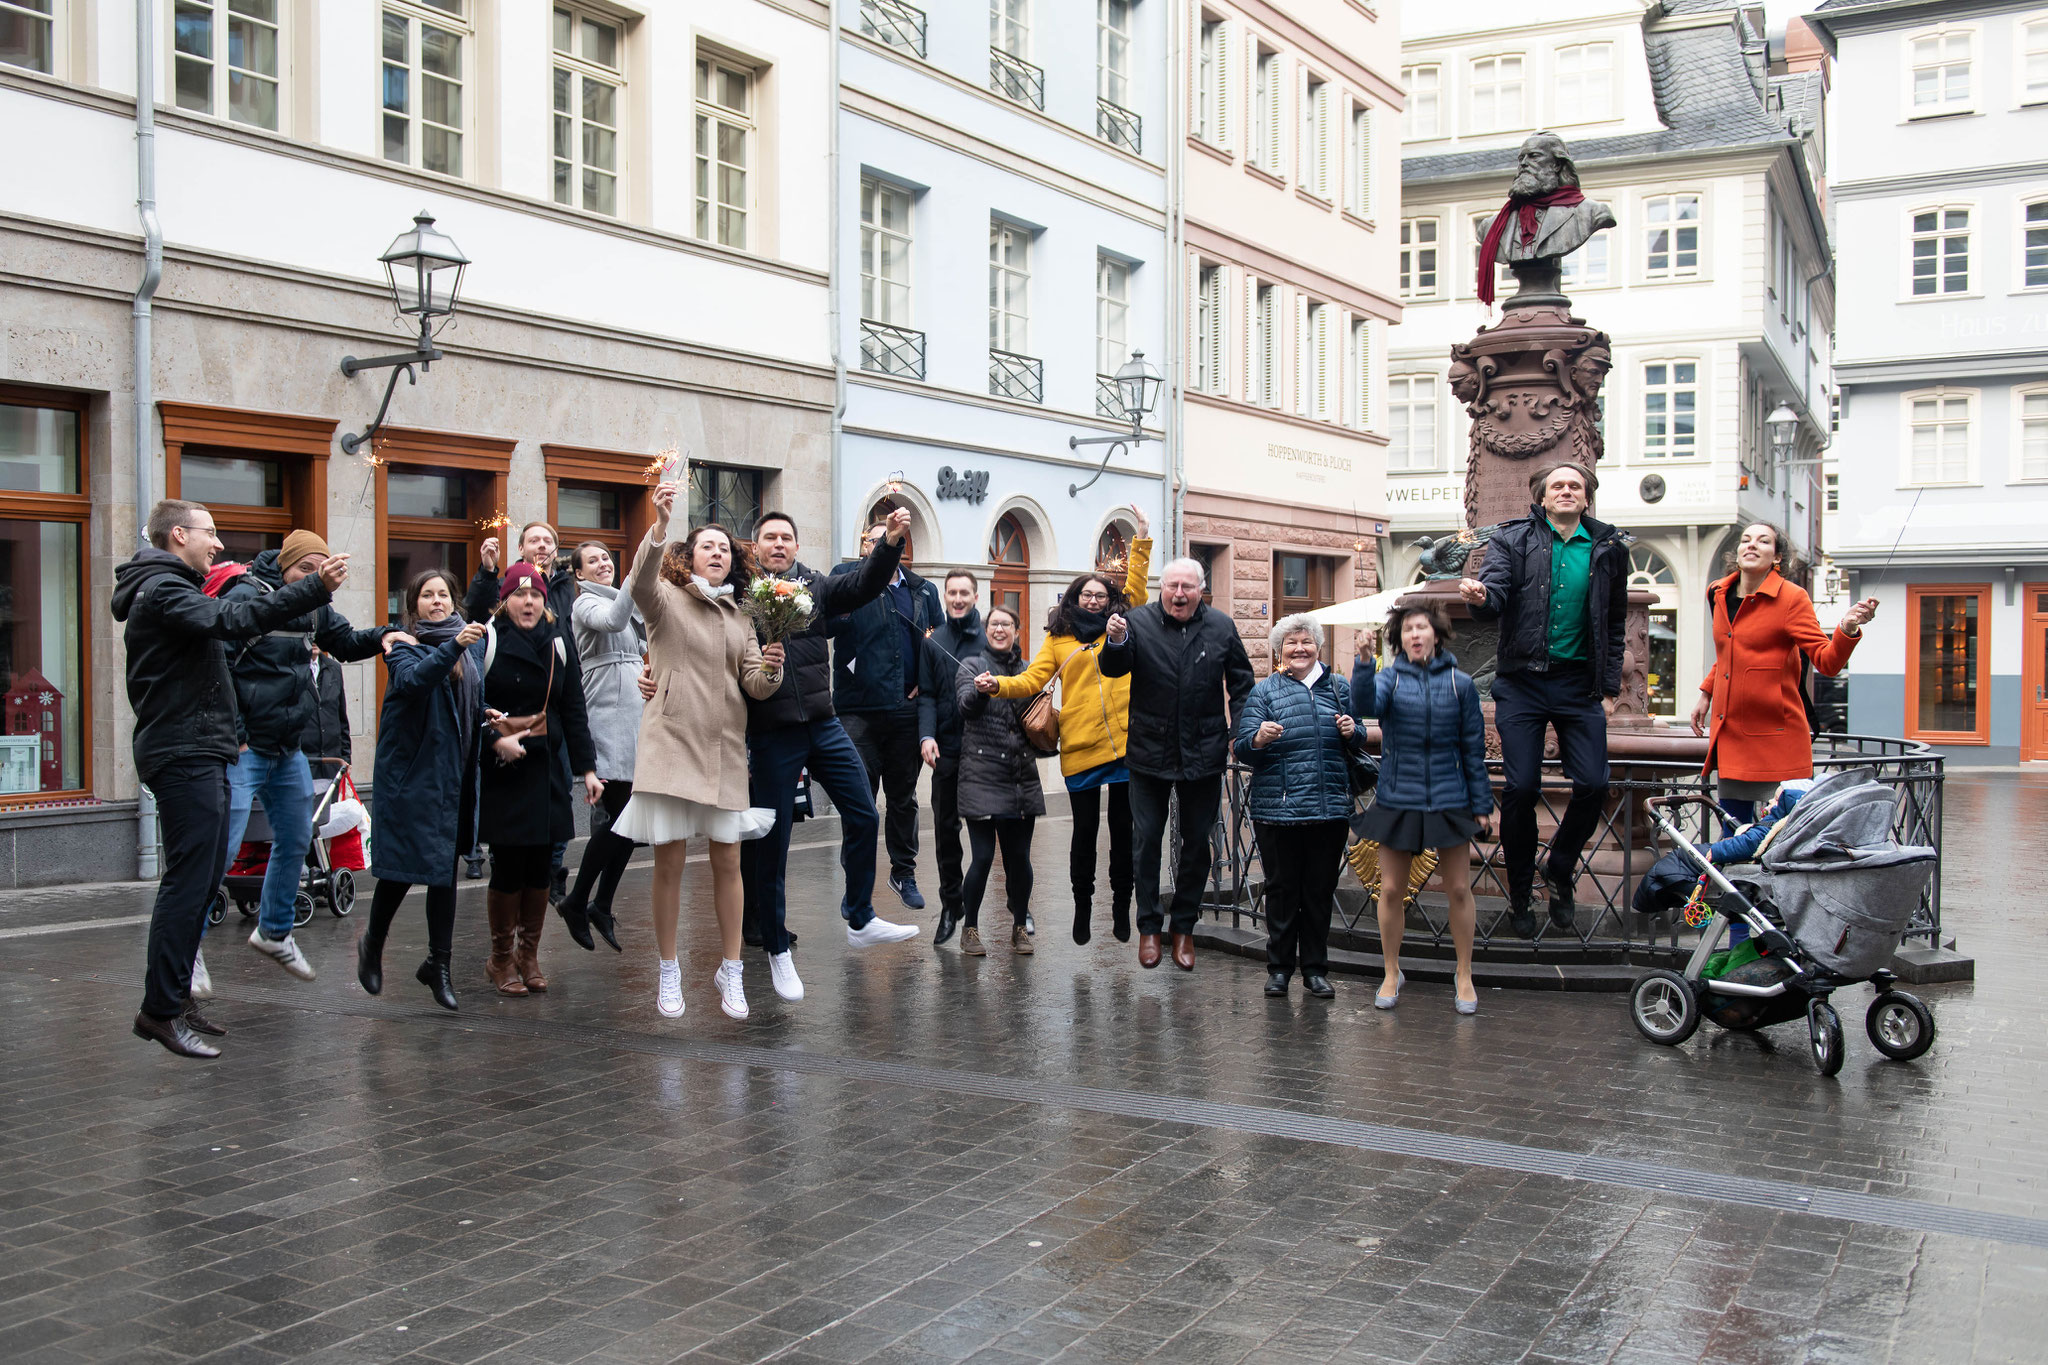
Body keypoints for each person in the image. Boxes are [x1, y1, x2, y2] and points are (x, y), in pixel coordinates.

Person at [114, 500, 348, 1057]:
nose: (218, 544)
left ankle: (175, 999)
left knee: (197, 880)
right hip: (184, 752)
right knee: (190, 881)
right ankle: (160, 1010)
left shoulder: (174, 586)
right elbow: (232, 620)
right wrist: (315, 587)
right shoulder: (164, 590)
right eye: (210, 533)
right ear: (178, 535)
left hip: (203, 749)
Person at [614, 491, 785, 1018]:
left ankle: (731, 969)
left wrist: (773, 667)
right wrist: (660, 525)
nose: (717, 553)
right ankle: (669, 970)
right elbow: (640, 581)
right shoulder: (665, 598)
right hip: (671, 743)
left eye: (725, 549)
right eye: (706, 547)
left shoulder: (743, 616)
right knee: (669, 860)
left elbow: (754, 684)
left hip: (724, 749)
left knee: (729, 860)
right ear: (689, 557)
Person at [212, 529, 401, 987]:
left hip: (287, 747)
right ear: (284, 567)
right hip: (246, 748)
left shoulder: (315, 605)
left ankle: (274, 931)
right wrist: (234, 735)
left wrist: (387, 636)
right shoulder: (246, 595)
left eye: (319, 570)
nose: (313, 578)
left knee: (297, 838)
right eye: (304, 570)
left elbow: (346, 641)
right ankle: (188, 950)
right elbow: (217, 667)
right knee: (220, 846)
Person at [739, 507, 922, 964]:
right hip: (772, 732)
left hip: (823, 722)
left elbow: (863, 585)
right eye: (770, 538)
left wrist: (890, 544)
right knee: (773, 839)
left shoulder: (815, 586)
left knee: (864, 813)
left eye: (786, 537)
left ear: (797, 547)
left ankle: (859, 916)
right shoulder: (742, 595)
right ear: (756, 547)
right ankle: (775, 943)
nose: (778, 545)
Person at [1458, 460, 1629, 939]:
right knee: (1521, 788)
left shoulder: (1607, 547)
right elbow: (1494, 597)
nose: (1567, 491)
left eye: (1575, 485)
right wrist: (1478, 596)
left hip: (1579, 685)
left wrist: (1611, 688)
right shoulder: (1512, 540)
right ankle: (1518, 890)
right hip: (1523, 683)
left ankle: (1559, 867)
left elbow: (1615, 624)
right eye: (1558, 486)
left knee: (1594, 783)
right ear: (1542, 496)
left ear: (1586, 496)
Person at [983, 511, 1152, 946]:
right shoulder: (1059, 639)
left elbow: (1135, 590)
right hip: (1080, 746)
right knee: (1084, 835)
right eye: (1086, 595)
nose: (1094, 601)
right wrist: (997, 685)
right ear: (1074, 599)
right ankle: (1082, 906)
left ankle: (1119, 905)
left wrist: (1143, 542)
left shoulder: (1123, 624)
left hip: (1125, 748)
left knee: (1122, 834)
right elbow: (1032, 680)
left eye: (1100, 595)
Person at [1099, 557, 1255, 971]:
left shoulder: (1221, 626)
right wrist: (1113, 641)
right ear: (1161, 588)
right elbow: (1113, 669)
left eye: (1187, 587)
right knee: (1146, 840)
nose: (1179, 594)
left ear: (1201, 590)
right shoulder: (1137, 621)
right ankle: (1149, 927)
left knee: (1196, 845)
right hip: (1149, 752)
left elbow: (1242, 681)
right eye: (1172, 586)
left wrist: (1240, 731)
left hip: (1204, 753)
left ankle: (1184, 927)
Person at [356, 570, 488, 1011]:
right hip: (413, 776)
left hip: (455, 772)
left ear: (454, 602)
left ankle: (440, 965)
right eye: (428, 596)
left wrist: (485, 714)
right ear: (414, 606)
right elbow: (416, 683)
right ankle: (372, 944)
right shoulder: (402, 646)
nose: (437, 601)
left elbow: (459, 701)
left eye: (444, 595)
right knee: (401, 871)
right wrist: (454, 646)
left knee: (442, 870)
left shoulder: (468, 648)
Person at [1353, 603, 1494, 1014]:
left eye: (1422, 628)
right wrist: (1364, 662)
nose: (1416, 635)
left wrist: (1481, 804)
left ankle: (1464, 973)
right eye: (1409, 630)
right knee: (1391, 889)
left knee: (1459, 889)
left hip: (1449, 799)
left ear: (1436, 634)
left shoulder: (1460, 684)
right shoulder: (1390, 678)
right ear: (1400, 639)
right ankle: (1391, 971)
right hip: (1399, 798)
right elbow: (1366, 705)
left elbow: (1473, 748)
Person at [1692, 522, 1876, 825]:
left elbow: (1827, 661)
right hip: (1732, 734)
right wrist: (1706, 692)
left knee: (1783, 835)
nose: (1751, 545)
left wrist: (1847, 627)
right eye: (1746, 540)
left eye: (1763, 541)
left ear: (1777, 557)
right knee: (1732, 831)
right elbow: (1728, 652)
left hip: (1778, 739)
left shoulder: (1792, 598)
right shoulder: (1718, 592)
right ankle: (1730, 875)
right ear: (1737, 552)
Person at [478, 562, 604, 996]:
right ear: (506, 600)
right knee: (509, 865)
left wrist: (587, 769)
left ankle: (528, 955)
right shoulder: (489, 640)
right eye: (519, 595)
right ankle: (499, 959)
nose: (528, 602)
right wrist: (493, 741)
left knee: (542, 870)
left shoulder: (558, 641)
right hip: (504, 769)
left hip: (546, 768)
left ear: (544, 601)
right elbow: (469, 704)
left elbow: (573, 708)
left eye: (535, 596)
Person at [1233, 615, 1364, 1001]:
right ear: (1279, 651)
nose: (1299, 649)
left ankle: (1315, 970)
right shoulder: (1265, 692)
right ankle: (1278, 970)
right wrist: (1257, 738)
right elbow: (1242, 748)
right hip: (1278, 809)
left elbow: (1357, 739)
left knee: (1319, 892)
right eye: (1290, 644)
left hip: (1329, 809)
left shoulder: (1338, 687)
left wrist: (1351, 731)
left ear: (1318, 647)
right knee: (1282, 890)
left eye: (1305, 642)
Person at [828, 520, 944, 912]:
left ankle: (903, 872)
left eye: (889, 540)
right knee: (859, 801)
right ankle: (855, 886)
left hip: (904, 711)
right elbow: (824, 624)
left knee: (903, 799)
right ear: (864, 547)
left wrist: (923, 685)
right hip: (857, 710)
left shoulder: (921, 589)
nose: (880, 546)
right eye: (874, 541)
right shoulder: (845, 579)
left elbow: (938, 643)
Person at [465, 520, 579, 904]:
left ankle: (552, 872)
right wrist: (487, 573)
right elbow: (479, 610)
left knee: (554, 818)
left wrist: (589, 768)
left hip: (549, 728)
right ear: (521, 546)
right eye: (535, 539)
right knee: (509, 856)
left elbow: (564, 639)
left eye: (549, 540)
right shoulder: (501, 593)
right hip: (505, 738)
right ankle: (500, 956)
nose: (542, 545)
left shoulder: (564, 584)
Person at [556, 540, 647, 953]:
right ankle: (579, 901)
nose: (603, 564)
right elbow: (612, 620)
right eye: (592, 561)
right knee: (621, 816)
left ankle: (599, 904)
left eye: (607, 558)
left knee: (632, 819)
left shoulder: (621, 602)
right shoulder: (585, 605)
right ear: (579, 574)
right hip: (608, 720)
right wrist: (636, 574)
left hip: (634, 720)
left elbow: (639, 645)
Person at [951, 605, 1045, 956]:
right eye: (994, 624)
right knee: (982, 859)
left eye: (1007, 624)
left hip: (1021, 777)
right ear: (986, 630)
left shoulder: (1027, 671)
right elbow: (964, 708)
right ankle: (970, 928)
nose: (1000, 629)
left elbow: (1036, 719)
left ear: (1017, 631)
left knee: (1019, 859)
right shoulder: (972, 665)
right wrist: (979, 691)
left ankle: (1019, 926)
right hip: (981, 777)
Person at [916, 569, 985, 944]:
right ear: (944, 597)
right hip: (945, 748)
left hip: (985, 751)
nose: (957, 599)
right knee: (945, 831)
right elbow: (926, 693)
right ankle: (950, 904)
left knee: (991, 834)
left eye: (964, 593)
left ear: (975, 596)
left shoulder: (992, 637)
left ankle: (1018, 909)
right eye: (951, 593)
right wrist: (926, 735)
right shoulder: (933, 641)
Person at [300, 643, 351, 773]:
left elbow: (341, 717)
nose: (314, 641)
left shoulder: (334, 668)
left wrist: (346, 758)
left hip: (332, 762)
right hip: (305, 762)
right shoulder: (294, 669)